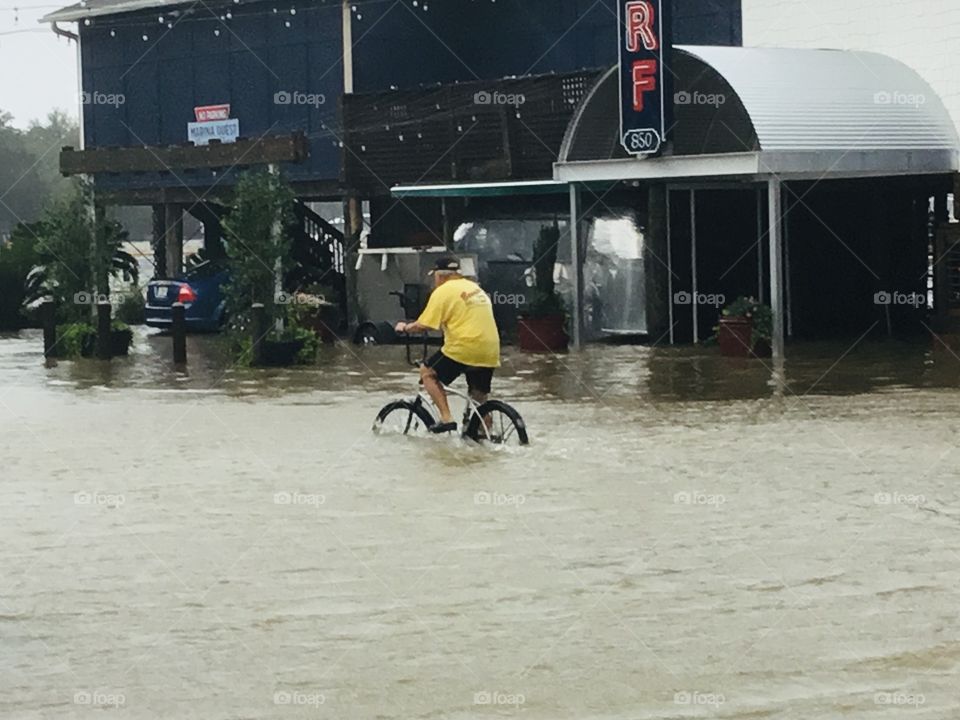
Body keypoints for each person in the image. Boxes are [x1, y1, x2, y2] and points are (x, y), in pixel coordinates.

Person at [395, 255, 501, 434]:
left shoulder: (443, 291)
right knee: (478, 397)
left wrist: (405, 327)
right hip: (490, 349)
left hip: (464, 346)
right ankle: (485, 434)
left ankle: (446, 418)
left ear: (440, 275)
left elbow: (425, 325)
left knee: (428, 372)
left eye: (434, 275)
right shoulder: (475, 289)